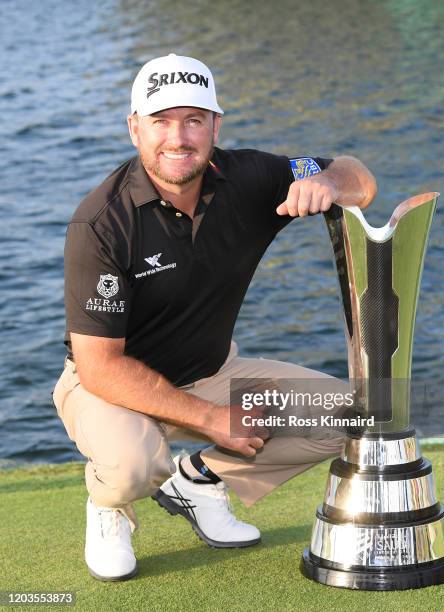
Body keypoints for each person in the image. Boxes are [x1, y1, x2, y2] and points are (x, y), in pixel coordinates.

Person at [53, 53, 377, 582]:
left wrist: (331, 184)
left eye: (193, 120)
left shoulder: (252, 175)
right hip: (105, 388)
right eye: (160, 121)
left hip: (211, 374)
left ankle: (198, 480)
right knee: (136, 463)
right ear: (134, 129)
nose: (177, 138)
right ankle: (111, 504)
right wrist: (211, 421)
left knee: (358, 413)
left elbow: (355, 173)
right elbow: (100, 367)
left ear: (215, 126)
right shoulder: (100, 224)